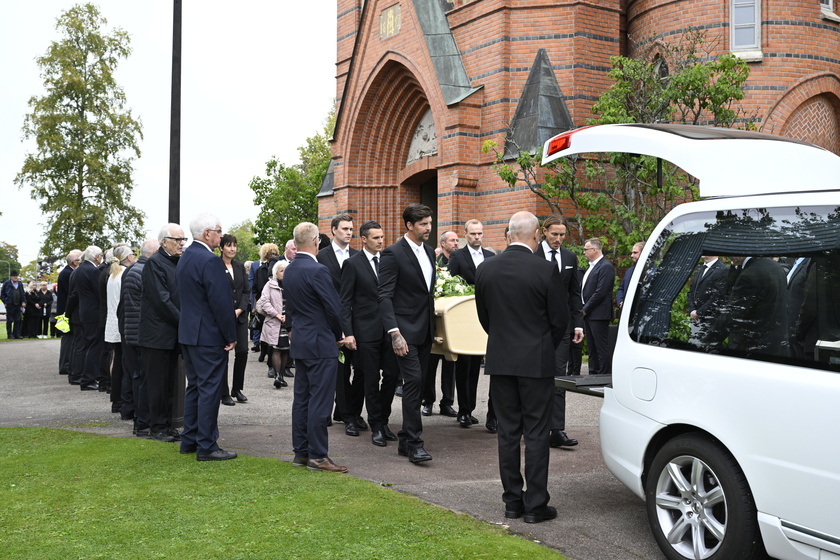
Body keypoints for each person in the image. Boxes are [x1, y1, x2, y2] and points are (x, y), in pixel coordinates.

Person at [475, 211, 568, 524]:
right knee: (538, 433)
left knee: (508, 432)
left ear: (508, 234)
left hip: (501, 359)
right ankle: (536, 503)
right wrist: (542, 347)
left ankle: (512, 502)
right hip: (536, 361)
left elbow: (484, 317)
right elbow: (559, 320)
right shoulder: (545, 269)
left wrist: (503, 341)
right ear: (536, 235)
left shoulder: (486, 268)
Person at [283, 221, 347, 472]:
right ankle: (318, 455)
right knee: (320, 401)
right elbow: (333, 308)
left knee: (302, 400)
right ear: (315, 241)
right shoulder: (318, 270)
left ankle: (301, 452)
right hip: (320, 342)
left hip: (301, 340)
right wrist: (339, 333)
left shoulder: (290, 270)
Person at [176, 214, 238, 461]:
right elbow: (221, 303)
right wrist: (231, 335)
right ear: (206, 234)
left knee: (196, 388)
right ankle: (207, 445)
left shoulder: (186, 257)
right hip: (208, 335)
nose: (222, 236)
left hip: (190, 332)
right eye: (219, 231)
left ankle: (190, 440)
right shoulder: (210, 261)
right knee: (210, 390)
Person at [378, 203, 436, 464]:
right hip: (403, 332)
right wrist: (394, 333)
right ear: (410, 225)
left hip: (426, 331)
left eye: (430, 223)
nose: (429, 228)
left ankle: (404, 440)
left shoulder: (431, 252)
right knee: (412, 384)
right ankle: (414, 443)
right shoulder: (392, 253)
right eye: (423, 224)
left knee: (419, 384)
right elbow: (385, 296)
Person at [340, 220, 400, 447]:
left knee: (393, 375)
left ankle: (383, 420)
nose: (381, 241)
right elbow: (345, 302)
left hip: (389, 330)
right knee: (370, 378)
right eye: (376, 238)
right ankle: (376, 425)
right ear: (364, 239)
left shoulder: (388, 261)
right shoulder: (352, 264)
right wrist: (349, 333)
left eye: (382, 237)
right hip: (365, 331)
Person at [535, 215, 583, 448]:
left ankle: (556, 429)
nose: (558, 239)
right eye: (554, 234)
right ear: (544, 231)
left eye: (562, 235)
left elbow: (575, 294)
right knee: (534, 376)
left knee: (558, 377)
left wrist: (578, 324)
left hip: (562, 328)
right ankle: (534, 428)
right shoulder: (532, 254)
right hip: (535, 326)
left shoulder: (570, 256)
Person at [318, 214, 365, 436]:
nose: (349, 232)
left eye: (351, 229)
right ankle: (347, 416)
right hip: (331, 322)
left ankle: (353, 411)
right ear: (334, 230)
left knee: (362, 370)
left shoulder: (358, 256)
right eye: (345, 228)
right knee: (340, 371)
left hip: (357, 322)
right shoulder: (321, 257)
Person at [446, 219, 496, 431]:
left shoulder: (491, 257)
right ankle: (464, 411)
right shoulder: (457, 257)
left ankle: (474, 408)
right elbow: (451, 284)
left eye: (480, 234)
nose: (477, 237)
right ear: (465, 234)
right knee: (464, 365)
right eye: (473, 234)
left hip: (488, 317)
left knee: (478, 365)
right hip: (465, 318)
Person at [138, 225, 184, 443]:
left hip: (169, 335)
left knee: (167, 384)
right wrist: (184, 321)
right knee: (157, 384)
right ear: (164, 241)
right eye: (177, 239)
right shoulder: (155, 263)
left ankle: (165, 425)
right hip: (156, 336)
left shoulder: (173, 263)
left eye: (183, 239)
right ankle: (157, 427)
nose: (182, 243)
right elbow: (162, 300)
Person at [118, 238, 159, 434]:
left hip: (131, 332)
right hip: (140, 334)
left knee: (137, 377)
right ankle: (143, 423)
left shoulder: (131, 271)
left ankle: (140, 421)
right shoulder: (144, 272)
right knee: (143, 379)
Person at [719, 256, 788, 357]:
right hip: (775, 345)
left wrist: (705, 342)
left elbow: (731, 314)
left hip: (751, 346)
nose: (728, 257)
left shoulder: (749, 275)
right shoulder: (775, 266)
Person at [423, 231, 459, 418]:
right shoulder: (434, 261)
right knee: (430, 363)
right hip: (434, 319)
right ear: (443, 243)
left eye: (457, 240)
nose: (456, 243)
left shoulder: (457, 261)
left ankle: (447, 402)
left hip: (451, 320)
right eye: (452, 240)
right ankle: (428, 401)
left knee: (450, 362)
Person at [218, 234, 250, 405]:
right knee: (224, 354)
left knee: (243, 351)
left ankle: (237, 388)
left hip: (240, 317)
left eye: (234, 245)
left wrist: (240, 309)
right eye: (229, 245)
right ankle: (224, 392)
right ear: (221, 247)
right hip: (223, 318)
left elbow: (246, 291)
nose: (232, 249)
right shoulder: (215, 266)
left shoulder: (239, 266)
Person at [105, 246, 136, 417]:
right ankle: (123, 401)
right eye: (132, 254)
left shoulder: (113, 275)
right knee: (124, 364)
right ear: (127, 258)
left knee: (117, 362)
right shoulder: (124, 275)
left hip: (113, 321)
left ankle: (116, 399)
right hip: (121, 322)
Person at [72, 246, 105, 391]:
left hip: (84, 311)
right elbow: (99, 292)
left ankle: (86, 377)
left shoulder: (79, 269)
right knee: (94, 346)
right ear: (97, 257)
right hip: (94, 313)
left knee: (88, 345)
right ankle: (89, 379)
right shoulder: (92, 271)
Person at [581, 238, 615, 376]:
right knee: (591, 347)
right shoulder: (592, 267)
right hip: (590, 314)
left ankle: (603, 374)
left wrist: (585, 308)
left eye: (586, 249)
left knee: (600, 347)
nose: (584, 252)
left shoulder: (605, 267)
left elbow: (600, 292)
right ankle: (593, 373)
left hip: (599, 314)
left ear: (594, 250)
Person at [259, 260, 292, 390]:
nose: (284, 273)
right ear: (275, 272)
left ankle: (281, 375)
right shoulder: (269, 285)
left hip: (288, 321)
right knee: (276, 348)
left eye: (286, 270)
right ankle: (277, 375)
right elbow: (264, 302)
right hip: (274, 321)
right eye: (281, 270)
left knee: (285, 349)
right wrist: (277, 314)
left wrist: (288, 317)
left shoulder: (291, 284)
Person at [687, 255, 728, 350]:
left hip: (710, 321)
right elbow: (691, 292)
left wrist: (699, 313)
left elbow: (718, 297)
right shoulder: (700, 268)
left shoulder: (723, 270)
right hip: (695, 320)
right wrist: (692, 310)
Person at [249, 243, 279, 354]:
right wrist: (254, 306)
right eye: (271, 253)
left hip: (275, 302)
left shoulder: (279, 268)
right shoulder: (259, 270)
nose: (273, 255)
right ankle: (263, 350)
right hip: (263, 302)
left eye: (275, 253)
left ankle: (270, 354)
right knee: (262, 327)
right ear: (266, 255)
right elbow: (255, 290)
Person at [56, 250, 82, 375]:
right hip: (67, 311)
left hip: (67, 310)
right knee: (68, 338)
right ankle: (65, 365)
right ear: (74, 262)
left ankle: (66, 364)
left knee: (69, 338)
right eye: (79, 260)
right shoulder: (67, 274)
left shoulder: (67, 272)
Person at [616, 241, 645, 309]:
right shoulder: (629, 271)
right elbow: (621, 289)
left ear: (644, 253)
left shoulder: (652, 271)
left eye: (635, 253)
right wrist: (621, 302)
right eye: (632, 253)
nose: (632, 255)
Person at [1, 271, 26, 339]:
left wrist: (23, 301)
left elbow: (22, 293)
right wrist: (5, 302)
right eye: (14, 276)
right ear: (11, 277)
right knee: (9, 320)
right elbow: (2, 294)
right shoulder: (6, 283)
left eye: (16, 276)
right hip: (10, 304)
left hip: (18, 304)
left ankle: (16, 334)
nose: (15, 277)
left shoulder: (20, 284)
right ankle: (9, 335)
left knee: (17, 320)